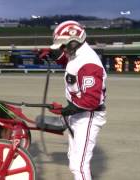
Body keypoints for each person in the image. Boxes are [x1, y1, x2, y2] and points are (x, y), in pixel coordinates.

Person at [48, 20, 107, 180]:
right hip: (78, 113)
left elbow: (91, 100)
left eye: (63, 46)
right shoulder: (77, 54)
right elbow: (71, 64)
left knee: (79, 166)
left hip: (88, 116)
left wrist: (67, 110)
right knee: (74, 160)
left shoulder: (89, 63)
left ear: (74, 42)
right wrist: (57, 56)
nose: (62, 49)